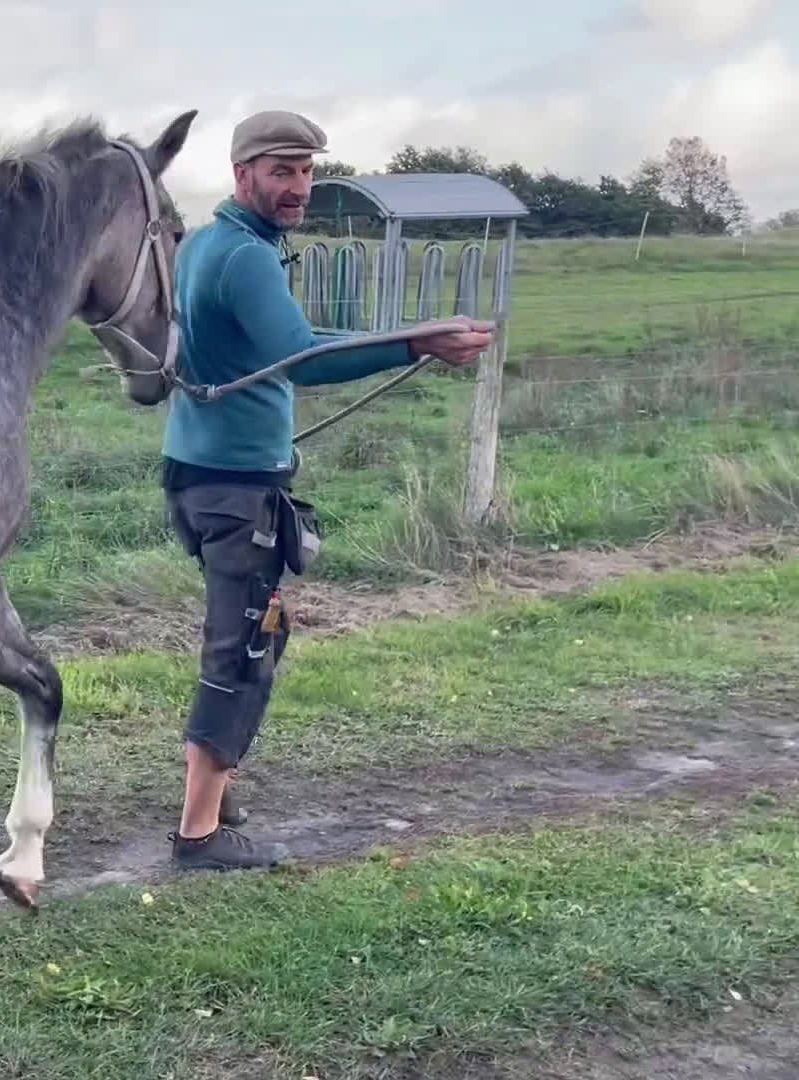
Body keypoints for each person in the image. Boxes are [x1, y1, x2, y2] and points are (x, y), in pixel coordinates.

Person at [161, 109, 493, 871]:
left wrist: (407, 336)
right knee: (244, 644)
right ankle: (199, 834)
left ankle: (215, 793)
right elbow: (300, 360)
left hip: (198, 476)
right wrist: (414, 341)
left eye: (307, 171)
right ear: (241, 174)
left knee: (252, 634)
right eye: (282, 171)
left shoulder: (202, 245)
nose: (298, 187)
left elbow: (268, 349)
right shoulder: (243, 256)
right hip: (235, 486)